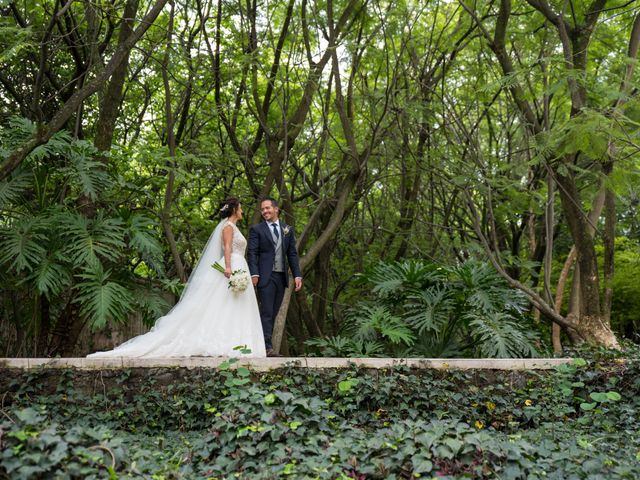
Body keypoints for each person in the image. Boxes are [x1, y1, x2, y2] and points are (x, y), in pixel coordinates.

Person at [87, 198, 266, 358]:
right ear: (234, 209)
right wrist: (228, 267)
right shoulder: (227, 227)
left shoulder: (233, 227)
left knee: (233, 304)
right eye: (240, 208)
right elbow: (227, 247)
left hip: (239, 265)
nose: (242, 211)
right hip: (232, 265)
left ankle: (238, 341)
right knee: (225, 303)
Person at [247, 197, 302, 357]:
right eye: (262, 209)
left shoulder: (287, 229)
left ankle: (265, 345)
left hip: (281, 277)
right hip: (265, 276)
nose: (264, 211)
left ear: (276, 209)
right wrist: (254, 273)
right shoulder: (257, 229)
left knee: (274, 311)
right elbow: (252, 253)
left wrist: (297, 275)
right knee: (266, 311)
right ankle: (266, 347)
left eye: (267, 208)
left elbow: (292, 253)